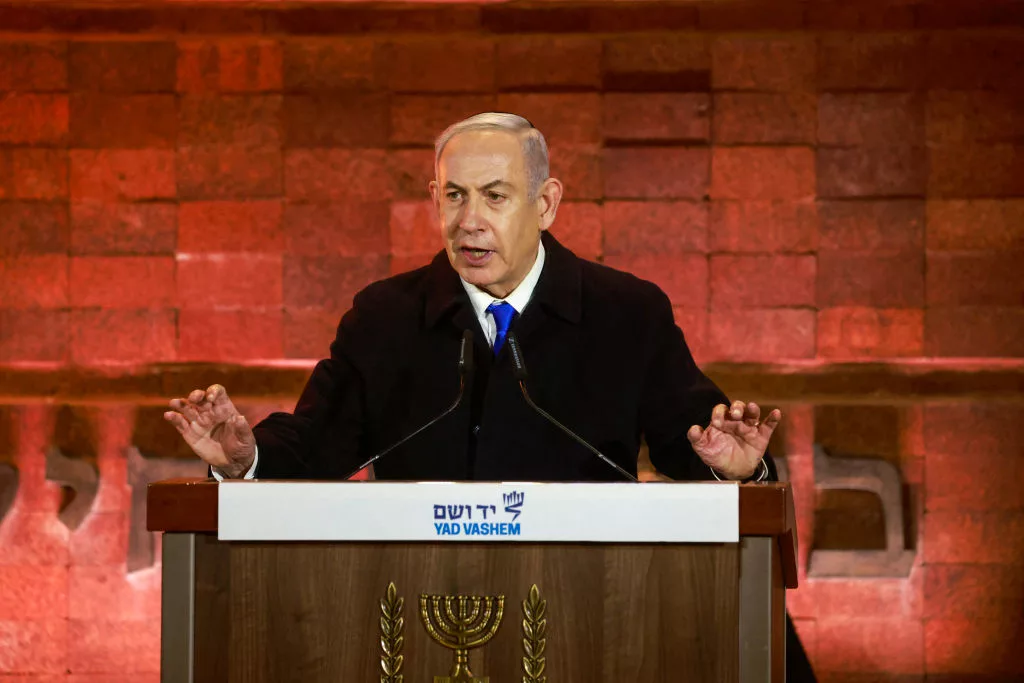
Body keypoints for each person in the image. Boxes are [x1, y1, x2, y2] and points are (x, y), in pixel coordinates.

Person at [164, 112, 782, 484]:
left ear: (545, 204)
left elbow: (694, 444)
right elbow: (317, 445)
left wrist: (737, 468)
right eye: (454, 196)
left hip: (586, 604)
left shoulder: (627, 312)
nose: (469, 221)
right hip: (409, 601)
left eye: (495, 195)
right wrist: (244, 460)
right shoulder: (384, 317)